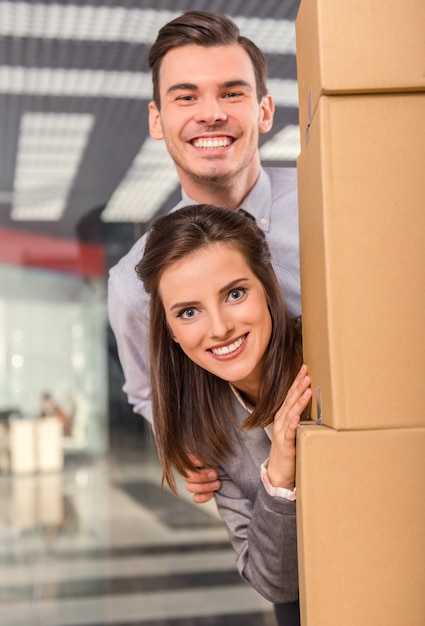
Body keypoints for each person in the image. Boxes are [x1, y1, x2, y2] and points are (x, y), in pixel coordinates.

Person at [108, 10, 300, 503]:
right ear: (157, 119)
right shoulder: (133, 283)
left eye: (232, 93)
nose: (210, 113)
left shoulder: (331, 205)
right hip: (273, 501)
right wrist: (181, 447)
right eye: (186, 96)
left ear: (264, 110)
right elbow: (148, 391)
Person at [136, 204, 311, 626]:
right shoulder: (204, 429)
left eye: (235, 294)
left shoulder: (328, 357)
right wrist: (280, 477)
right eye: (188, 312)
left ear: (267, 288)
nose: (219, 328)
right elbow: (274, 583)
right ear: (173, 333)